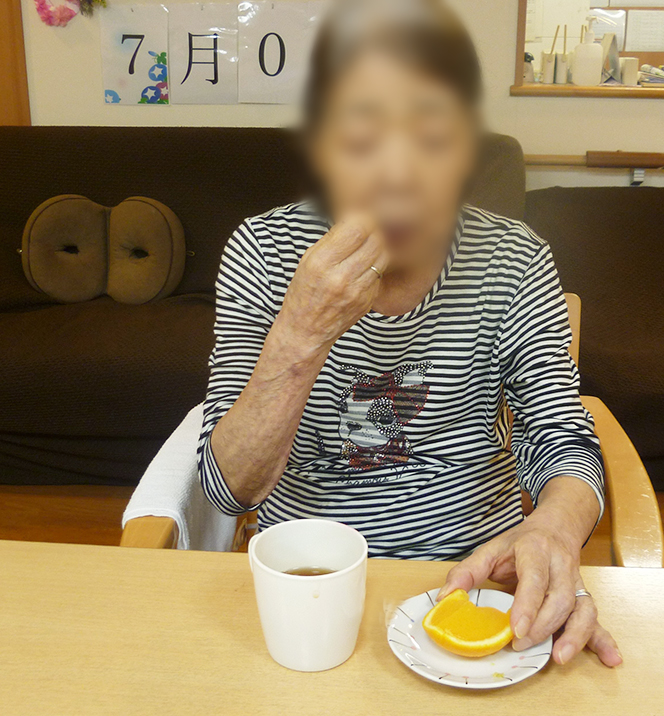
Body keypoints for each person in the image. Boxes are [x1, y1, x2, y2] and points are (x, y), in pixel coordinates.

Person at [198, 0, 621, 668]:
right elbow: (230, 489)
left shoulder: (513, 259)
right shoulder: (265, 251)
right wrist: (301, 331)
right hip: (312, 586)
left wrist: (553, 533)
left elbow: (561, 438)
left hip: (474, 581)